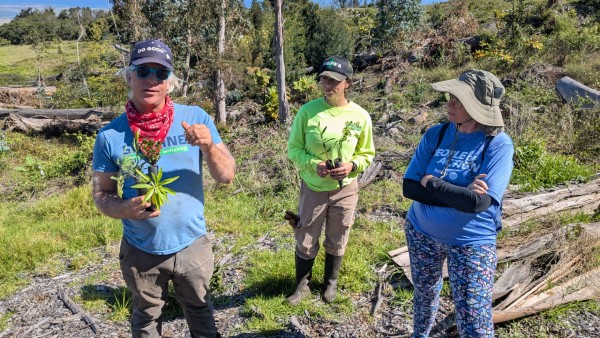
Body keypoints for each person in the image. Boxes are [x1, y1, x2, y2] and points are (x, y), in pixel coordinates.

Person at [91, 39, 235, 338]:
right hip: (141, 249)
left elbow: (227, 175)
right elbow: (101, 194)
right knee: (145, 317)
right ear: (129, 76)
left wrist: (209, 145)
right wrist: (124, 209)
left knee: (201, 310)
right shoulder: (110, 135)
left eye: (161, 73)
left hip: (192, 244)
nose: (152, 80)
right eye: (143, 71)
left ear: (171, 82)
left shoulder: (195, 117)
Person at [402, 69, 514, 337]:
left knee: (474, 319)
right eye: (451, 97)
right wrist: (461, 191)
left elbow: (478, 203)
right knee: (424, 293)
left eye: (458, 100)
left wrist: (432, 182)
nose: (449, 104)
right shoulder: (437, 134)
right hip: (421, 233)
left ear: (477, 107)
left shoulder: (497, 144)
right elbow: (409, 188)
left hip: (472, 243)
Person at [286, 56, 375, 305]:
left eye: (334, 80)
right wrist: (315, 165)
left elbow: (367, 153)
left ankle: (330, 285)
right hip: (313, 187)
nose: (327, 84)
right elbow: (294, 149)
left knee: (338, 236)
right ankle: (302, 287)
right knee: (305, 236)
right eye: (324, 78)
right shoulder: (308, 112)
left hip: (345, 189)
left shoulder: (360, 116)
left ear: (347, 83)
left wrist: (352, 165)